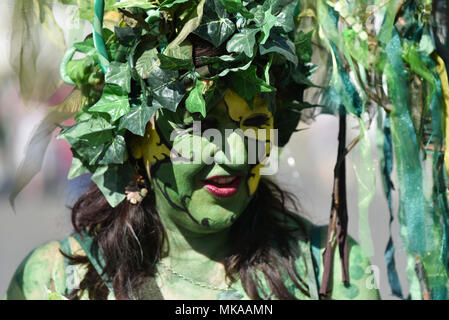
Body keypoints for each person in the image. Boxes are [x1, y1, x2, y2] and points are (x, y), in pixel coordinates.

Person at [11, 0, 445, 300]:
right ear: (137, 134)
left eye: (256, 124)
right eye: (201, 126)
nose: (236, 154)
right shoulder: (53, 279)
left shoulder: (331, 271)